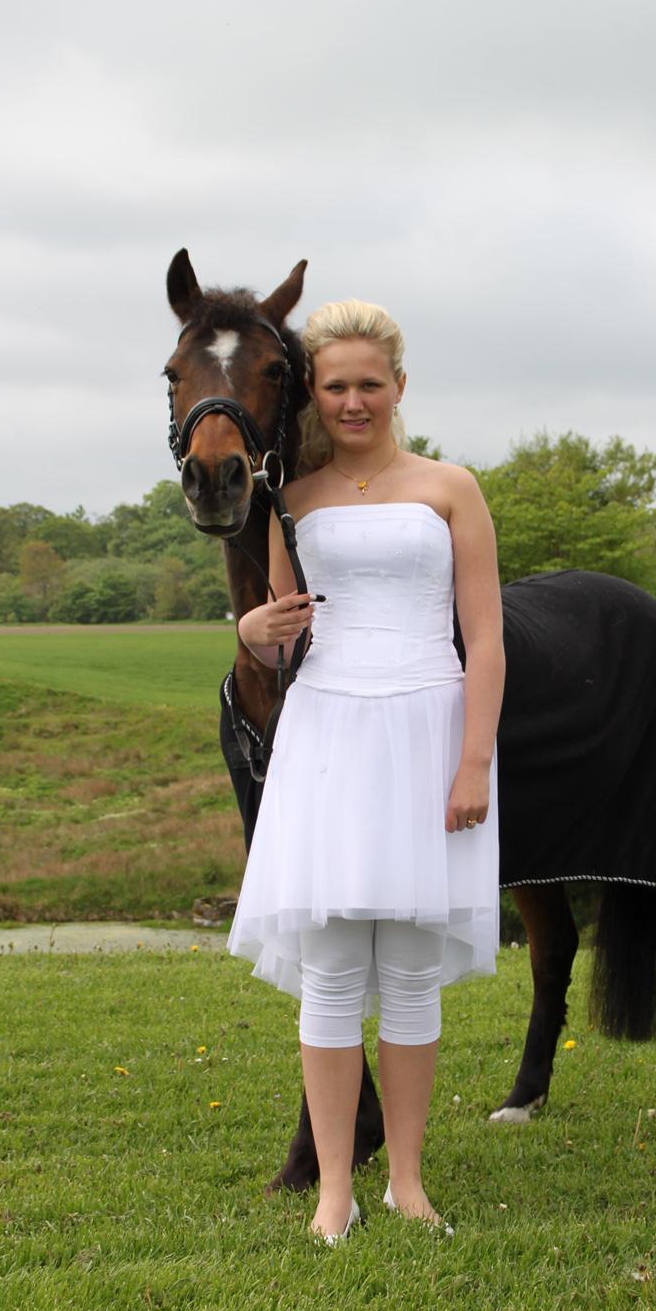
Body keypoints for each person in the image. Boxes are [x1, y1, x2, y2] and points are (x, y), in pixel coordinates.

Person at [227, 298, 504, 1243]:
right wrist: (251, 634)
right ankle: (335, 1189)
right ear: (317, 392)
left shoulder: (450, 488)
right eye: (334, 386)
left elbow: (488, 634)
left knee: (412, 976)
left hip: (430, 726)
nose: (352, 401)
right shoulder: (289, 500)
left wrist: (474, 760)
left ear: (398, 387)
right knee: (336, 971)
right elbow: (277, 638)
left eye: (368, 385)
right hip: (331, 736)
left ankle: (410, 1182)